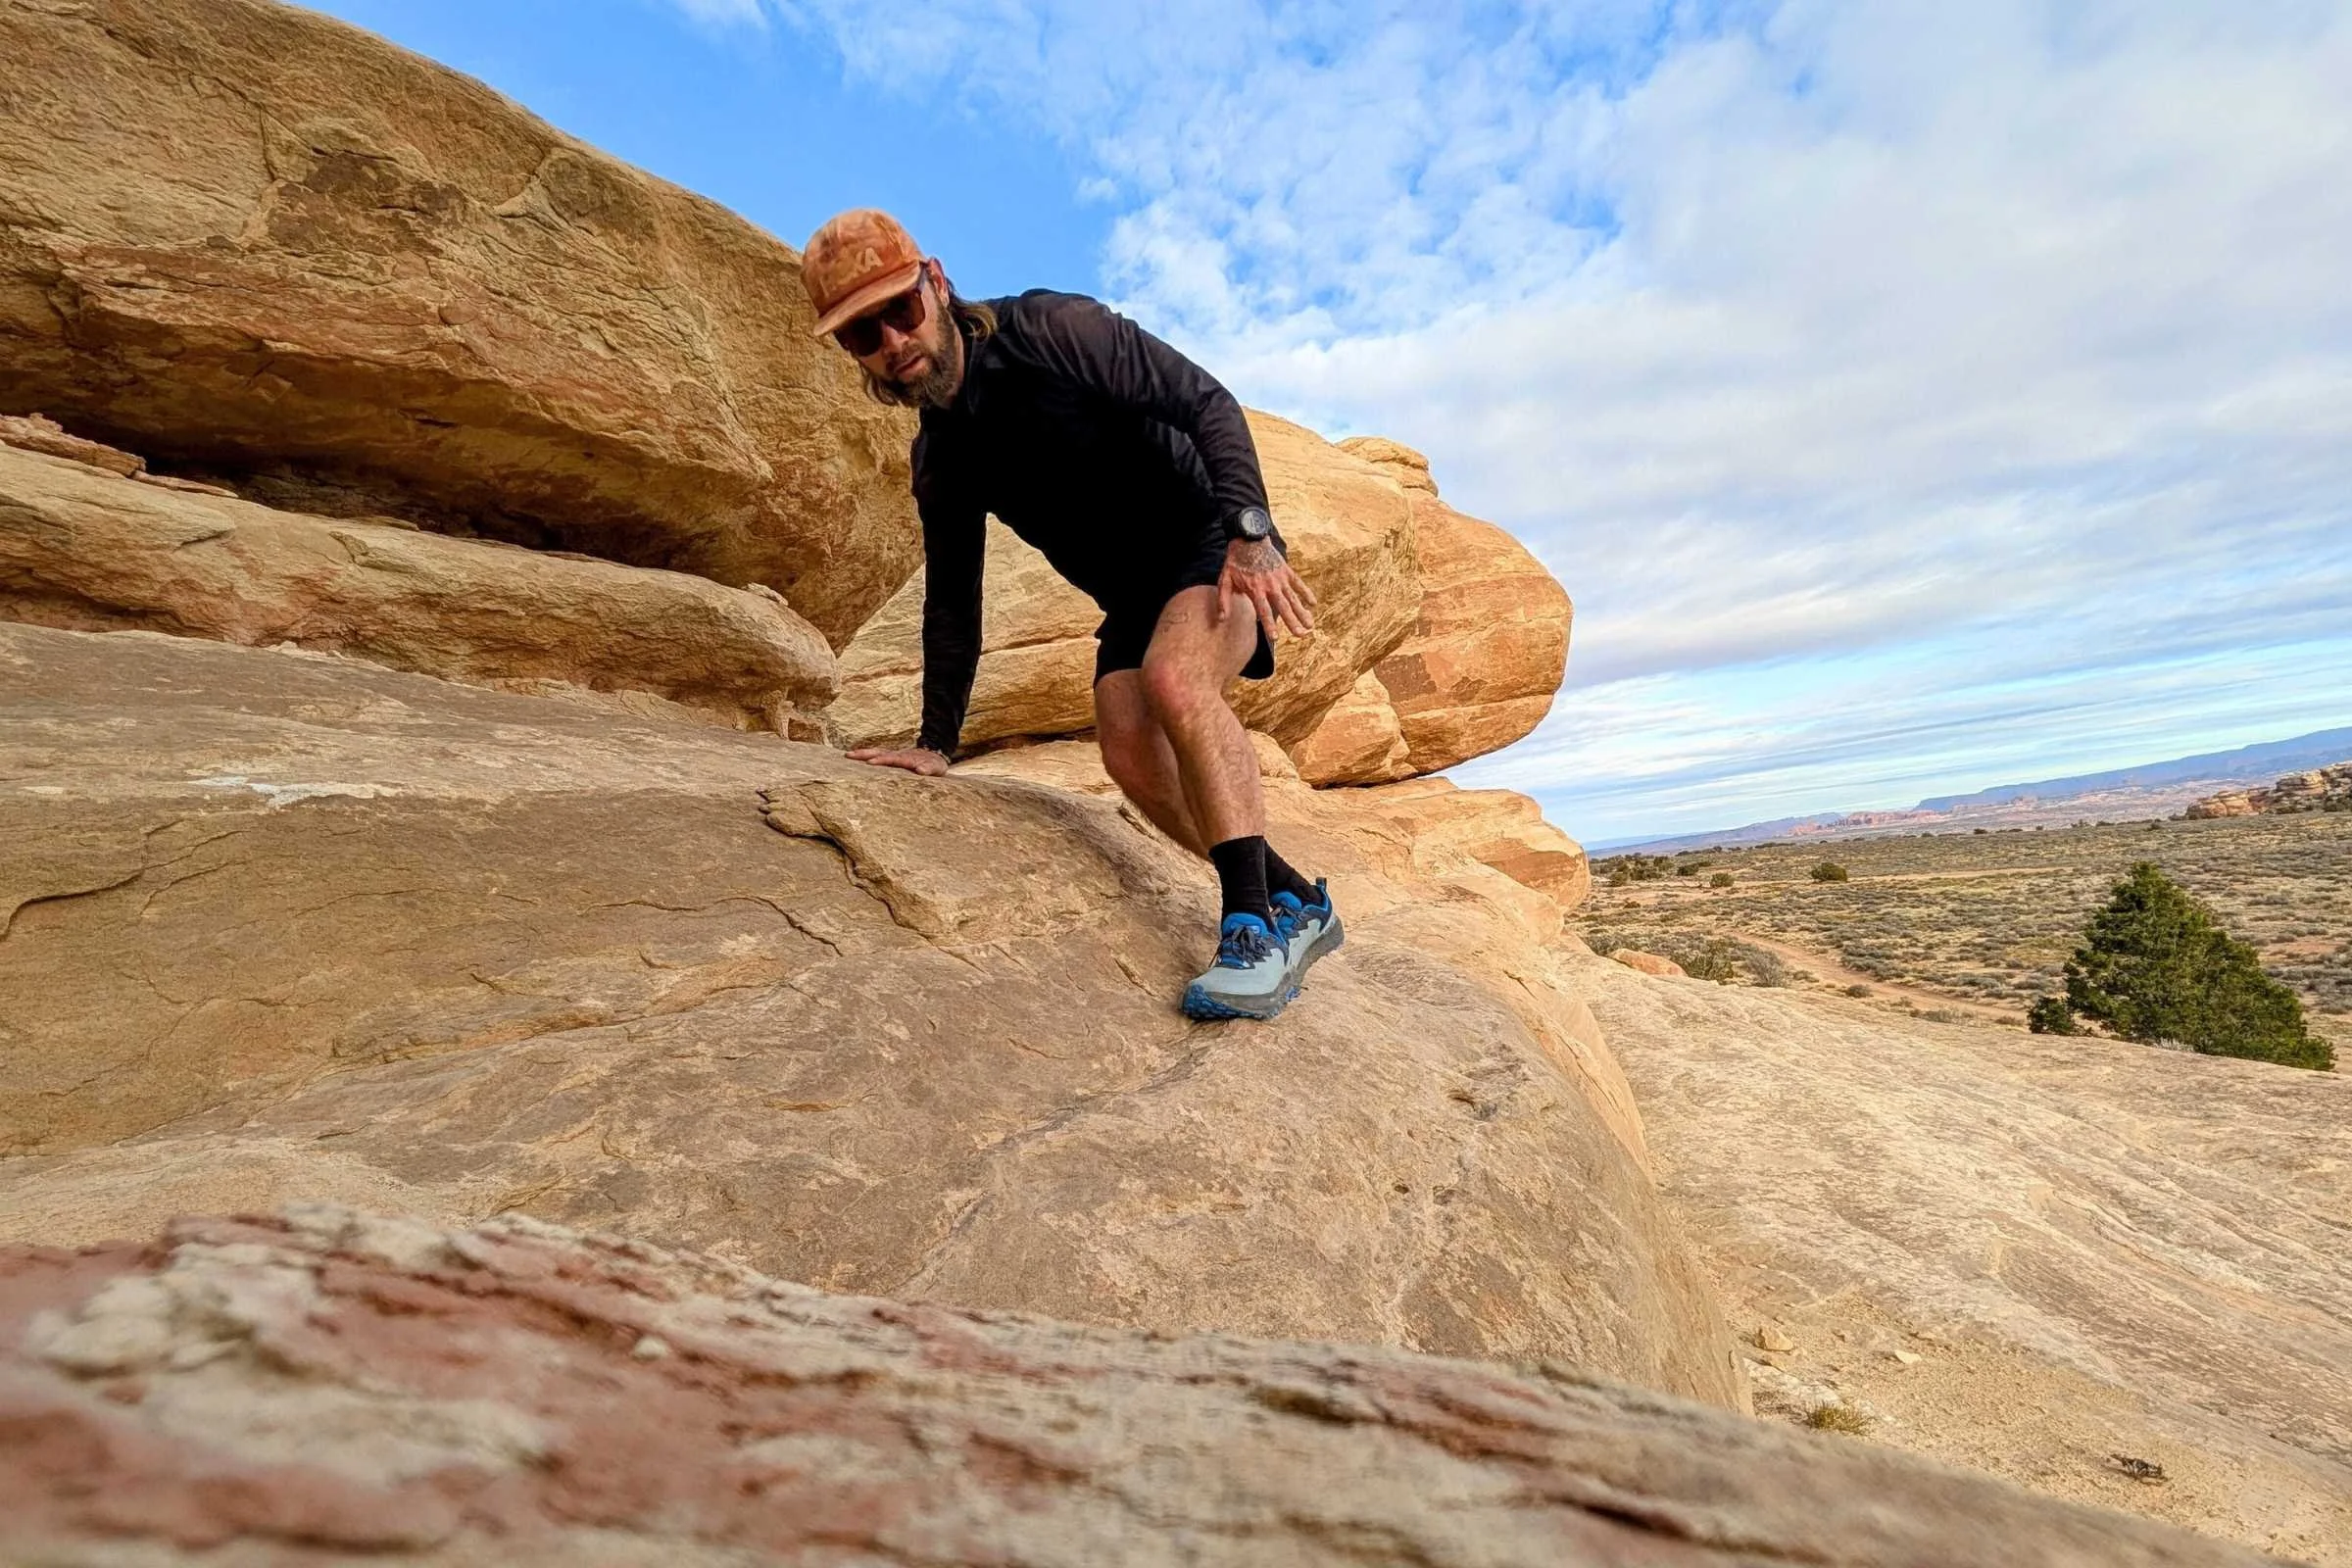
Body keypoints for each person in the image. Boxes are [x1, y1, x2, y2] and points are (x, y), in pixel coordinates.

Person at [803, 208, 1342, 1021]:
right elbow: (953, 596)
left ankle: (1253, 929)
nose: (892, 342)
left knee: (1174, 680)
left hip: (1210, 540)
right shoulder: (941, 457)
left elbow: (1206, 402)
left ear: (936, 283)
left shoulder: (1053, 331)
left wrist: (1250, 532)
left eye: (900, 310)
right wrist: (937, 741)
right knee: (1128, 751)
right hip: (1135, 594)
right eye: (861, 333)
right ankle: (1297, 900)